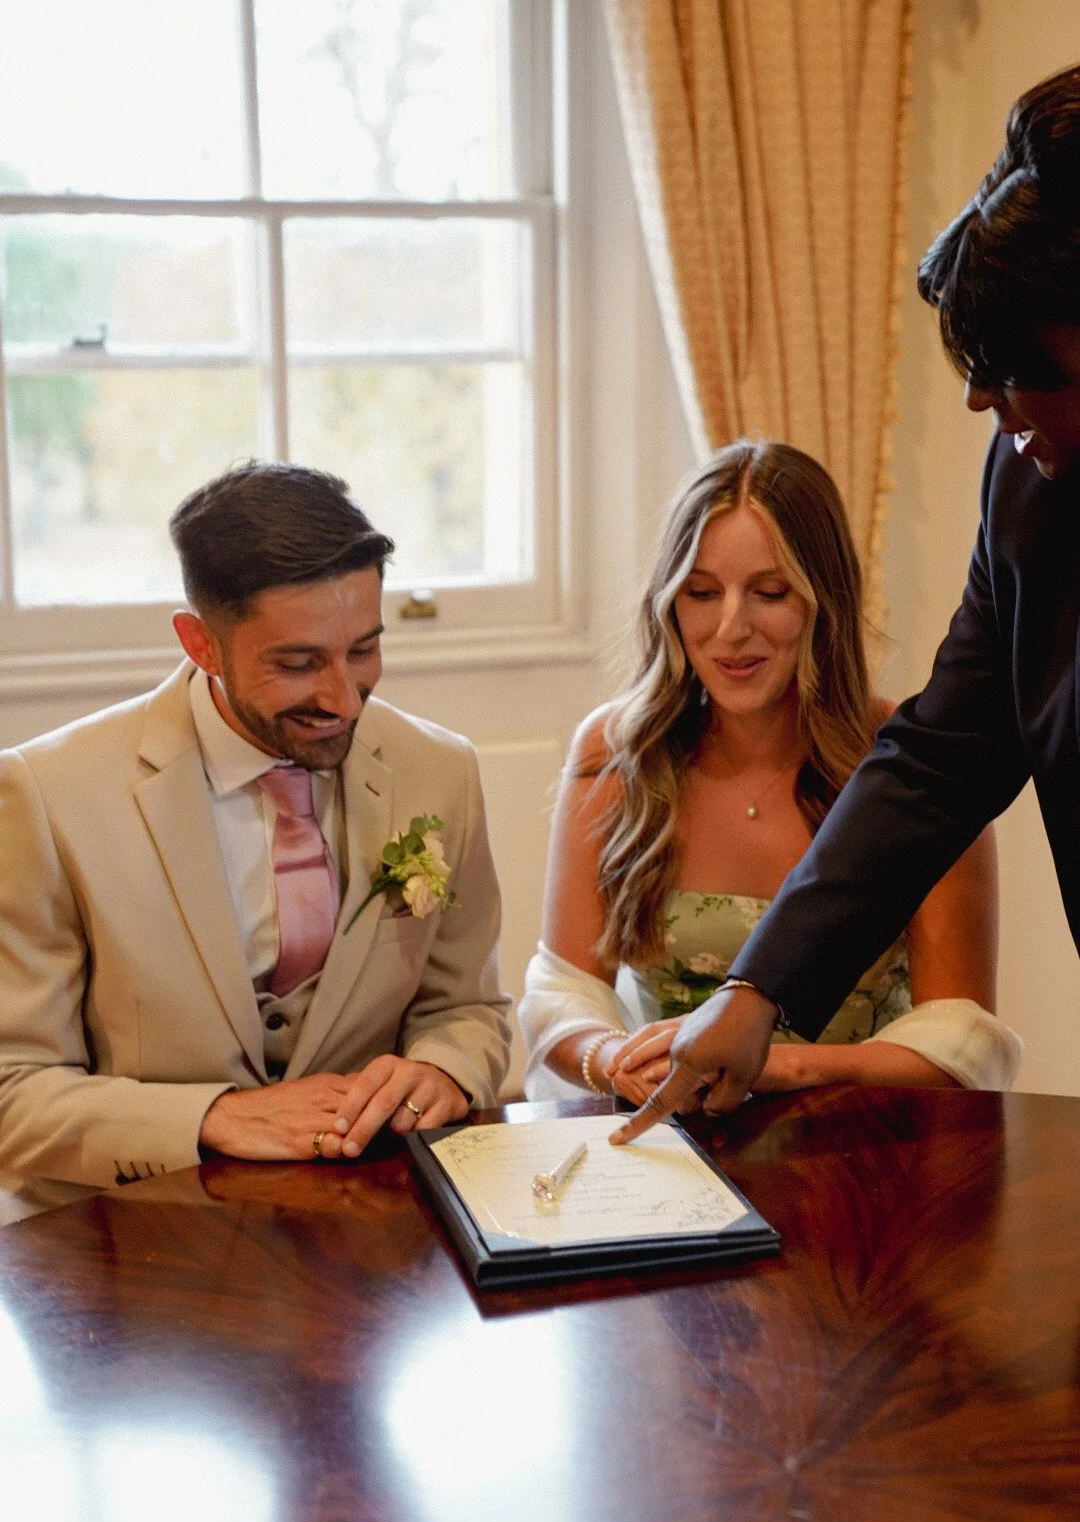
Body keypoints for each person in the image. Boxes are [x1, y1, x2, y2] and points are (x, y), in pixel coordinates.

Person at [611, 63, 1080, 1147]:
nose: (980, 400)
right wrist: (757, 987)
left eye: (1009, 365)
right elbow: (940, 755)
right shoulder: (1026, 479)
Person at [0, 462, 510, 1222]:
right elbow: (14, 1090)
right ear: (201, 644)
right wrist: (214, 1118)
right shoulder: (46, 794)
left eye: (363, 650)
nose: (343, 700)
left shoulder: (440, 770)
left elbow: (469, 1008)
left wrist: (444, 1070)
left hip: (370, 1232)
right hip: (131, 1243)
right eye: (298, 663)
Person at [520, 440, 1021, 1106]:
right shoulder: (616, 753)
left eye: (770, 592)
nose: (732, 629)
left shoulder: (918, 765)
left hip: (863, 1146)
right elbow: (563, 994)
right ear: (669, 605)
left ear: (826, 599)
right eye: (701, 593)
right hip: (673, 1140)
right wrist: (615, 1059)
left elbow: (963, 1040)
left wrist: (779, 1066)